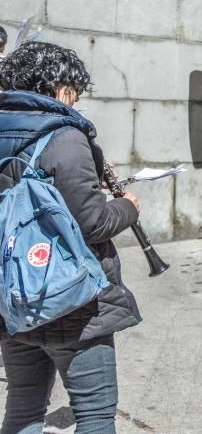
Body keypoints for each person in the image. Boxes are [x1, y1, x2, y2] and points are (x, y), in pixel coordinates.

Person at [0, 42, 142, 433]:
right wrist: (128, 206)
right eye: (74, 91)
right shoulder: (65, 135)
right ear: (60, 87)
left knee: (24, 408)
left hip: (12, 296)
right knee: (94, 414)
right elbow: (94, 222)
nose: (76, 101)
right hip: (70, 301)